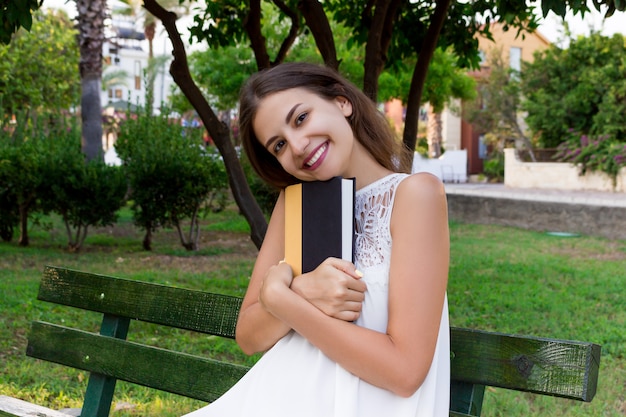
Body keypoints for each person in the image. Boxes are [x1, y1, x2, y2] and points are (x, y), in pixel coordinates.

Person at [183, 62, 450, 417]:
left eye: (301, 118)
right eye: (278, 144)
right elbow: (249, 336)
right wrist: (303, 291)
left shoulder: (415, 195)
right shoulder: (294, 203)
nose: (296, 146)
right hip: (275, 399)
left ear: (342, 103)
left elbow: (405, 373)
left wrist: (283, 297)